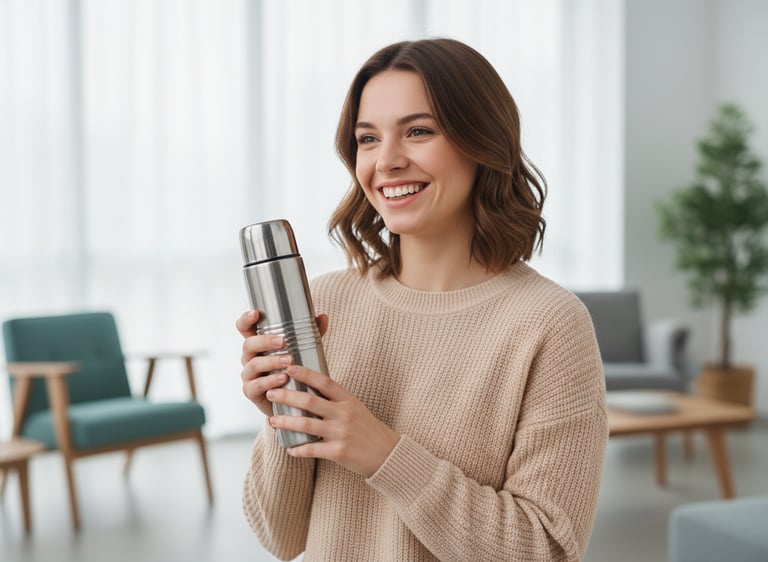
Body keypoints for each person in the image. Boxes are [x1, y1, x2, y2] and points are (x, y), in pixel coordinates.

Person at [238, 38, 607, 562]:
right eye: (368, 139)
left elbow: (543, 548)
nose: (386, 161)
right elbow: (281, 538)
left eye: (418, 131)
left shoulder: (549, 325)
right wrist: (281, 419)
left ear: (482, 143)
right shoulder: (324, 304)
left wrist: (382, 454)